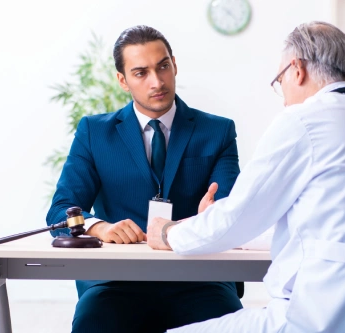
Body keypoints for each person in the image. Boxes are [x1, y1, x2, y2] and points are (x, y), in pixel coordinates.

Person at [147, 21, 345, 333]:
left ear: (297, 69)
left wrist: (169, 232)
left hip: (312, 319)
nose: (283, 96)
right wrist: (208, 224)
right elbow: (303, 225)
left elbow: (237, 215)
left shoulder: (305, 121)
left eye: (279, 81)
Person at [46, 25, 244, 333]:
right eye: (141, 73)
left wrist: (213, 216)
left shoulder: (217, 132)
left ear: (174, 65)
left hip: (199, 278)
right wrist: (101, 227)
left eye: (163, 66)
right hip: (115, 282)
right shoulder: (93, 132)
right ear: (122, 81)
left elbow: (231, 209)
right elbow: (61, 210)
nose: (157, 81)